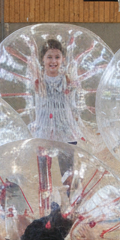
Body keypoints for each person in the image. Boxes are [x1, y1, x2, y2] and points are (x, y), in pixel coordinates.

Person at [30, 38, 83, 187]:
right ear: (42, 59)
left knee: (68, 174)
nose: (53, 61)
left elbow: (75, 98)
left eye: (57, 57)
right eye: (49, 57)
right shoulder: (38, 80)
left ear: (63, 59)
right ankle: (45, 201)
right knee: (44, 177)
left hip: (65, 132)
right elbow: (32, 68)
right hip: (43, 132)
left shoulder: (68, 80)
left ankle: (70, 200)